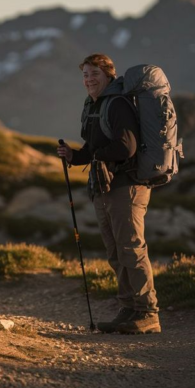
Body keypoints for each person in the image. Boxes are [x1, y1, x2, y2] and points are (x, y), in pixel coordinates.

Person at [57, 53, 160, 334]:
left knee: (131, 248)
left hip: (126, 186)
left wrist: (96, 157)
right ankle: (128, 309)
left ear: (109, 76)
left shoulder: (117, 104)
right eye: (86, 75)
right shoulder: (94, 105)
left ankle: (147, 312)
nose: (89, 80)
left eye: (95, 74)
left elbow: (126, 147)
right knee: (115, 251)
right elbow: (94, 149)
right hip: (106, 187)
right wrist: (74, 156)